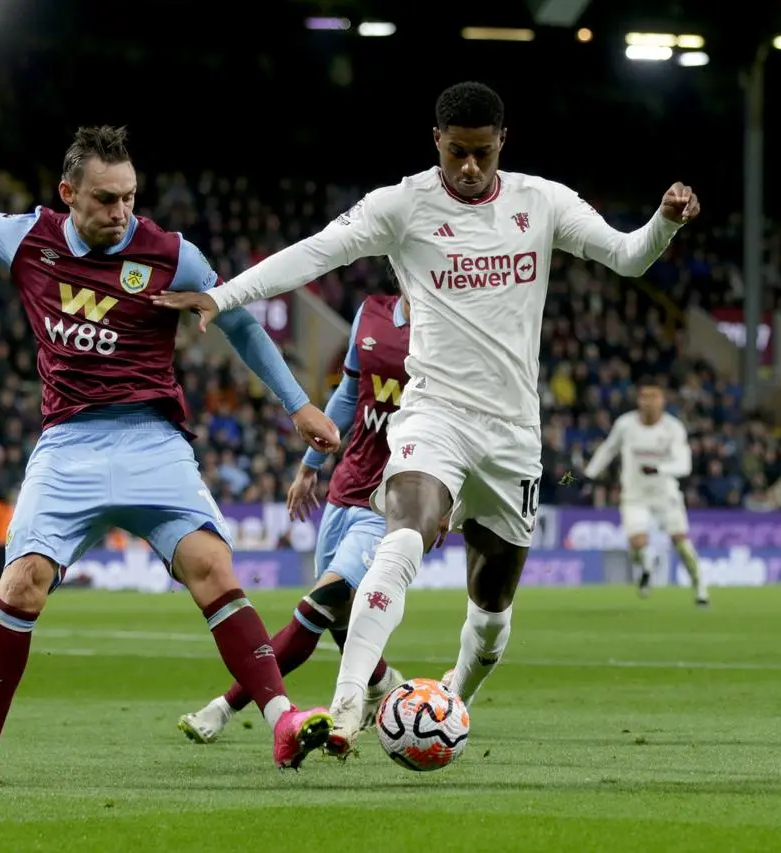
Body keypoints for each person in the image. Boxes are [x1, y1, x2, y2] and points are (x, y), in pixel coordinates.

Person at [152, 81, 699, 755]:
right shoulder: (404, 204)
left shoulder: (542, 201)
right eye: (455, 153)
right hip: (433, 412)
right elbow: (316, 251)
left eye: (480, 153)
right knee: (404, 534)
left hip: (512, 437)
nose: (468, 168)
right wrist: (222, 293)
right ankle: (350, 705)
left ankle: (452, 702)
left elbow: (627, 255)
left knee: (492, 612)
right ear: (435, 141)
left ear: (503, 142)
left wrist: (664, 222)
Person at [0, 125, 341, 786]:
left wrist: (298, 405)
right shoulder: (29, 237)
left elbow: (241, 324)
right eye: (106, 199)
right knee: (20, 582)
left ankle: (282, 721)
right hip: (68, 445)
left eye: (130, 197)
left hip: (152, 439)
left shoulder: (172, 254)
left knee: (212, 566)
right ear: (68, 194)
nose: (121, 212)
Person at [179, 291, 414, 743]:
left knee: (317, 605)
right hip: (344, 491)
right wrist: (311, 463)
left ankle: (222, 709)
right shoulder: (371, 311)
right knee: (340, 621)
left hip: (392, 501)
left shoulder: (454, 325)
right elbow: (349, 393)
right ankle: (385, 685)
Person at [582, 378, 707, 605]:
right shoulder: (625, 424)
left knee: (680, 540)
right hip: (634, 494)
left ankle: (699, 586)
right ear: (638, 401)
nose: (649, 403)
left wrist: (659, 468)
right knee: (638, 543)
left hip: (664, 492)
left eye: (654, 398)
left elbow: (684, 464)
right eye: (644, 398)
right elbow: (608, 449)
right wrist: (589, 474)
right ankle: (647, 567)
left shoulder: (673, 428)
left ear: (662, 402)